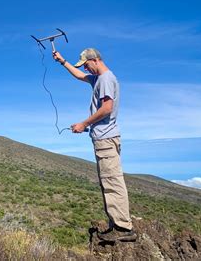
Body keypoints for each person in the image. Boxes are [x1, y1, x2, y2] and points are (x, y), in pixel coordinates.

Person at [52, 48, 137, 242]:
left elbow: (107, 108)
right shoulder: (98, 79)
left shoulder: (106, 79)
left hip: (106, 140)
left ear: (96, 60)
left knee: (112, 182)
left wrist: (84, 124)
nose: (86, 69)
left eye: (87, 64)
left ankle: (123, 228)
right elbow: (80, 76)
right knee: (108, 181)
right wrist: (62, 61)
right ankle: (117, 224)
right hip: (104, 138)